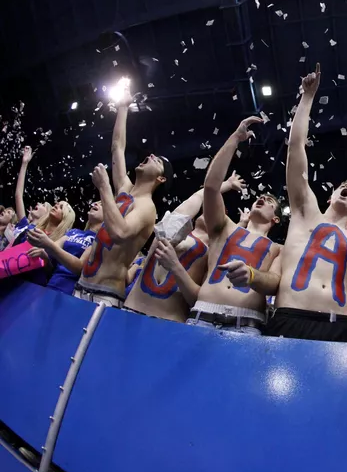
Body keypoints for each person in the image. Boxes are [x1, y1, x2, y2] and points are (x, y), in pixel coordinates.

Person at [265, 64, 347, 342]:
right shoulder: (305, 212)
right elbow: (295, 148)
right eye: (343, 187)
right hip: (290, 317)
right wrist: (307, 97)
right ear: (331, 195)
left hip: (338, 325)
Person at [179, 118, 281, 335]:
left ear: (276, 219)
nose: (262, 199)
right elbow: (211, 187)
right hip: (202, 315)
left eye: (270, 202)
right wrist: (236, 138)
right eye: (260, 198)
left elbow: (274, 283)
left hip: (248, 324)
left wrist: (252, 276)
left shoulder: (278, 249)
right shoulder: (225, 226)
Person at [75, 81, 172, 307]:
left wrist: (104, 188)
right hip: (81, 284)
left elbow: (120, 231)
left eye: (156, 161)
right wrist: (123, 107)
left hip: (104, 297)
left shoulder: (147, 207)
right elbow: (117, 147)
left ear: (161, 178)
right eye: (150, 156)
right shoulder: (125, 189)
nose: (149, 157)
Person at [122, 173, 244, 322]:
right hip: (128, 313)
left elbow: (199, 302)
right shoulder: (171, 226)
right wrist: (227, 184)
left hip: (167, 324)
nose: (208, 209)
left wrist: (175, 266)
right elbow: (198, 197)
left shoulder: (215, 254)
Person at [26, 201, 103, 295]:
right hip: (51, 284)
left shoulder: (100, 240)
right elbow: (52, 248)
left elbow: (80, 267)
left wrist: (49, 245)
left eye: (102, 205)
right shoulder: (74, 232)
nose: (95, 204)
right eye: (96, 203)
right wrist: (43, 254)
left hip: (70, 291)